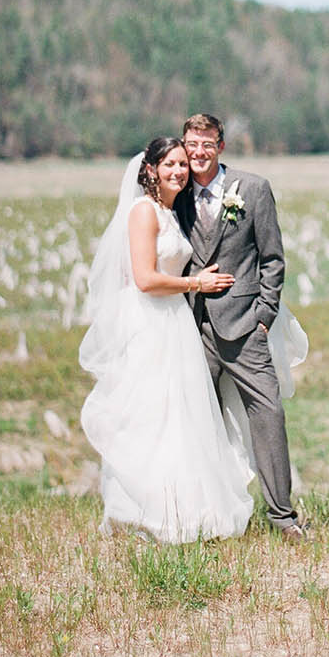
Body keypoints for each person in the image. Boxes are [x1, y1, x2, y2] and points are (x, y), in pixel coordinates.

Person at [78, 136, 256, 543]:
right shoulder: (144, 212)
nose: (178, 171)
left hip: (174, 321)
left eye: (182, 164)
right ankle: (148, 511)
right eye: (169, 165)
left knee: (180, 416)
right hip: (151, 322)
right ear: (151, 170)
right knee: (152, 416)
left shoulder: (169, 211)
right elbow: (144, 279)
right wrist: (197, 283)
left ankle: (187, 507)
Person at [175, 113, 309, 542]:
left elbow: (273, 259)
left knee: (268, 412)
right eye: (191, 144)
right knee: (196, 420)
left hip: (245, 327)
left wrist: (264, 318)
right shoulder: (174, 193)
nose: (198, 153)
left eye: (207, 144)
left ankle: (282, 516)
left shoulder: (253, 190)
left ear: (221, 146)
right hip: (191, 328)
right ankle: (203, 513)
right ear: (184, 144)